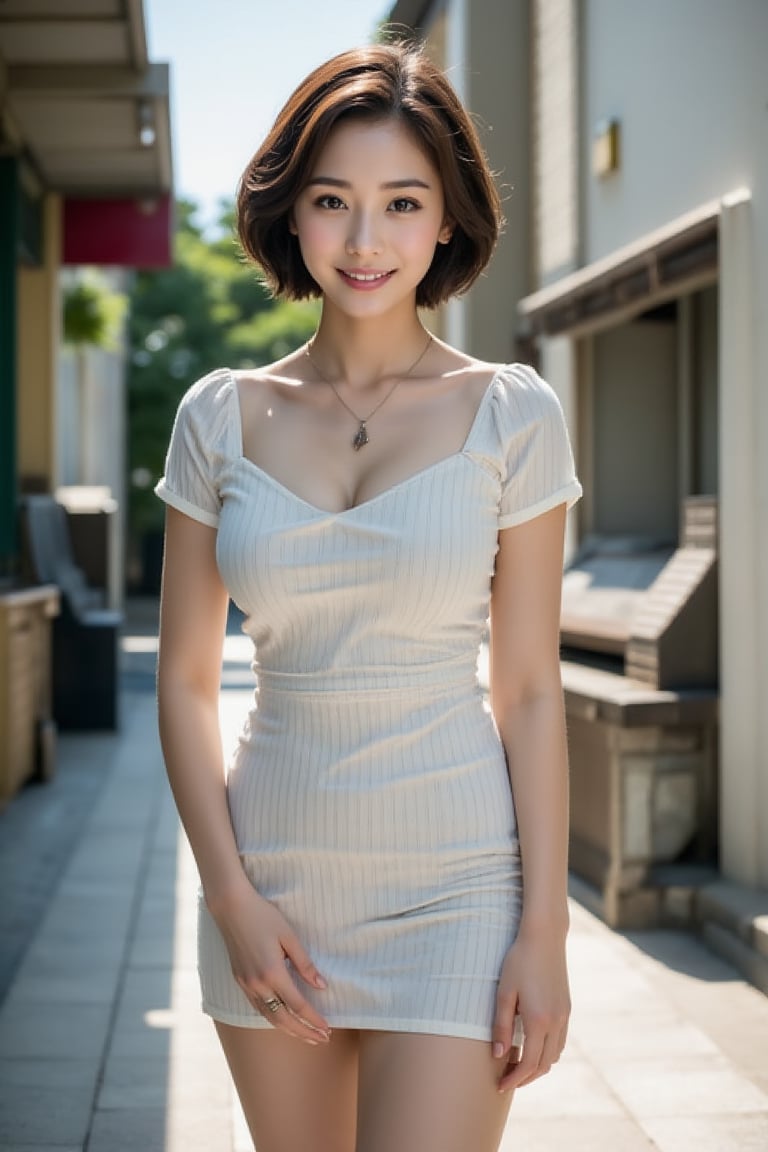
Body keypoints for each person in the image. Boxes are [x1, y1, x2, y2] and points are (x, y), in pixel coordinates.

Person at [155, 39, 581, 1152]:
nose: (363, 239)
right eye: (332, 200)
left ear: (446, 221)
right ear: (290, 214)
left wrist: (547, 932)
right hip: (272, 883)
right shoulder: (218, 414)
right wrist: (230, 899)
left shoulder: (512, 414)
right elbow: (186, 680)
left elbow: (531, 690)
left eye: (401, 202)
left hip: (457, 891)